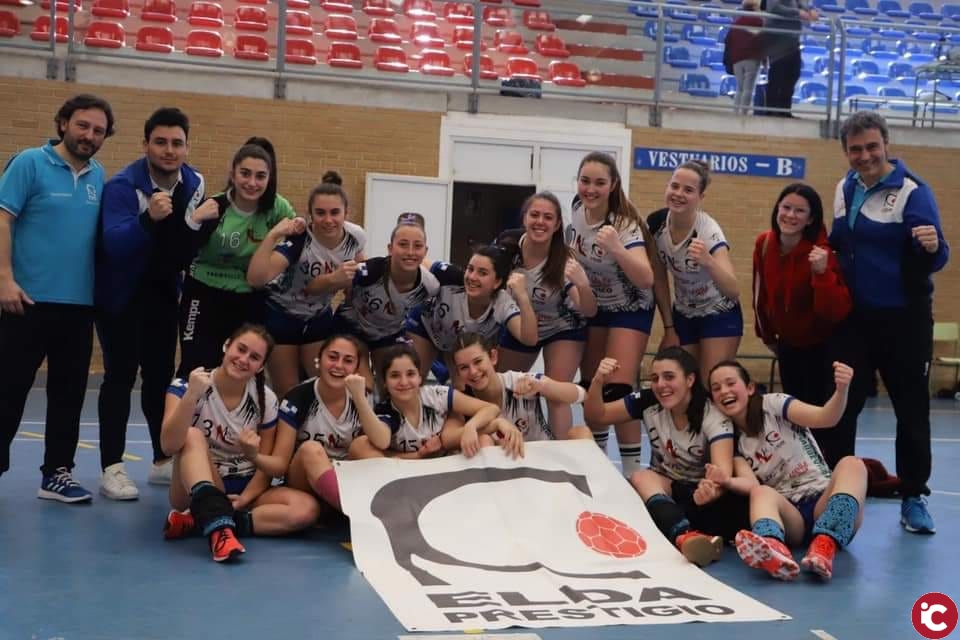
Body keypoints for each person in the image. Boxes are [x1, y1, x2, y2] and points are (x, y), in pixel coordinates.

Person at [828, 111, 949, 534]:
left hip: (905, 320)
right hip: (856, 320)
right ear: (846, 151)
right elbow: (838, 243)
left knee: (910, 408)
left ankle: (913, 495)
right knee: (844, 403)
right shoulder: (844, 188)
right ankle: (837, 490)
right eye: (855, 149)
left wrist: (933, 246)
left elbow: (937, 254)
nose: (864, 156)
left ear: (886, 145)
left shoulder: (913, 191)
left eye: (871, 147)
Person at [94, 107, 221, 499]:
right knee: (119, 377)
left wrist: (198, 224)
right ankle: (112, 467)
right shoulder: (122, 186)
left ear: (186, 147)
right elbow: (114, 245)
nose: (169, 150)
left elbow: (183, 245)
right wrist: (148, 219)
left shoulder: (194, 182)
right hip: (120, 293)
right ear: (145, 145)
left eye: (176, 143)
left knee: (159, 379)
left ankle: (161, 459)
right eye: (160, 142)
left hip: (164, 292)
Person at [0, 94, 115, 502]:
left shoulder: (100, 176)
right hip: (25, 302)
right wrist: (4, 279)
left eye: (98, 130)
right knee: (8, 391)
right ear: (63, 123)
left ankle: (57, 474)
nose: (89, 135)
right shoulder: (29, 163)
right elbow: (3, 219)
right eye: (83, 125)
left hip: (79, 307)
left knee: (68, 395)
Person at [160, 324, 320, 561]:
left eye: (254, 357)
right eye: (241, 349)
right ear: (226, 346)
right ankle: (220, 531)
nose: (244, 360)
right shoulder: (186, 386)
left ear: (261, 366)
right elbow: (168, 446)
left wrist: (245, 498)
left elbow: (269, 469)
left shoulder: (266, 400)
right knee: (192, 435)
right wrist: (192, 396)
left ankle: (206, 519)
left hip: (246, 489)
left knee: (306, 509)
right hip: (196, 483)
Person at [584, 348, 749, 567]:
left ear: (690, 380)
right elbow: (596, 415)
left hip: (703, 500)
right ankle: (687, 537)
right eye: (655, 378)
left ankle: (685, 533)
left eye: (669, 377)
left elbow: (722, 474)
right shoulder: (649, 400)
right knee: (640, 478)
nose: (661, 385)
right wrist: (598, 380)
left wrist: (710, 490)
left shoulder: (713, 415)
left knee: (640, 491)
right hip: (667, 494)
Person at [708, 360, 867, 581]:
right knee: (760, 492)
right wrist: (727, 480)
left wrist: (841, 390)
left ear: (750, 388)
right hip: (792, 516)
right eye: (716, 388)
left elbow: (826, 417)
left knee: (853, 464)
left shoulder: (774, 404)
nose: (724, 391)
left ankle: (825, 545)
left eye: (730, 383)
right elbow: (750, 483)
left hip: (824, 502)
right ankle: (773, 549)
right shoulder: (731, 438)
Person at [567, 151, 656, 478]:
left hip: (630, 307)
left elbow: (646, 278)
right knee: (593, 385)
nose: (590, 189)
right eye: (585, 181)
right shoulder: (577, 210)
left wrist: (617, 248)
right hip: (597, 304)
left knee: (617, 389)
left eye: (599, 183)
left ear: (613, 185)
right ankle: (599, 463)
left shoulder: (623, 224)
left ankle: (632, 472)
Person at [177, 139, 296, 377]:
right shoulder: (215, 207)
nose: (252, 183)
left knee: (245, 368)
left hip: (249, 298)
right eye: (245, 173)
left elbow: (298, 235)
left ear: (269, 178)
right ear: (233, 174)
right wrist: (193, 221)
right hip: (204, 293)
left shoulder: (277, 207)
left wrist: (275, 265)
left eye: (260, 176)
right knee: (197, 366)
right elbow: (180, 253)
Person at [247, 171, 366, 399]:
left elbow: (360, 266)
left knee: (322, 387)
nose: (328, 220)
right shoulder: (300, 240)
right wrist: (273, 235)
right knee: (289, 392)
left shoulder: (356, 236)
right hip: (282, 314)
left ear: (347, 213)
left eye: (335, 212)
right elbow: (256, 279)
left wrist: (356, 287)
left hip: (317, 317)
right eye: (320, 213)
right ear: (310, 214)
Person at [494, 191, 597, 439]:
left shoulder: (563, 259)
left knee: (555, 393)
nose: (540, 222)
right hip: (522, 323)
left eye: (548, 217)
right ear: (524, 218)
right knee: (500, 386)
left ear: (557, 224)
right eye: (535, 215)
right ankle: (501, 442)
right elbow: (485, 275)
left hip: (562, 327)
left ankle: (560, 451)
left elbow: (589, 309)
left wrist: (583, 285)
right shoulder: (506, 245)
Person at [753, 183, 851, 412]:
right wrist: (767, 335)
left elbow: (834, 311)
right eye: (786, 207)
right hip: (787, 346)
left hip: (823, 349)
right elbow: (760, 295)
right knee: (793, 415)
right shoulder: (764, 244)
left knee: (821, 418)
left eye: (799, 211)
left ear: (810, 219)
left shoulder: (822, 253)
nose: (790, 215)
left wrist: (822, 274)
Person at [651, 160, 742, 383]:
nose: (679, 194)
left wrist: (708, 261)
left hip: (718, 312)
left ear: (701, 197)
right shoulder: (656, 224)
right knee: (681, 383)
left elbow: (733, 289)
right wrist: (669, 327)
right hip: (684, 312)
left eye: (688, 190)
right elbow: (659, 280)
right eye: (674, 186)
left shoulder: (708, 231)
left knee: (711, 382)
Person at [349, 344, 524, 459]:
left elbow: (490, 408)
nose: (404, 382)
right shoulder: (386, 410)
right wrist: (359, 397)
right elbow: (381, 441)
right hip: (407, 474)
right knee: (359, 445)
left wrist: (472, 426)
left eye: (410, 374)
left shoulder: (436, 394)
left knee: (483, 439)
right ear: (385, 383)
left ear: (420, 377)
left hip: (447, 466)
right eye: (395, 376)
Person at [332, 213, 438, 392]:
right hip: (352, 327)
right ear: (390, 248)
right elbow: (333, 284)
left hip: (387, 334)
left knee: (392, 386)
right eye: (403, 244)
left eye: (417, 246)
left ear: (425, 251)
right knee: (365, 384)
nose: (410, 252)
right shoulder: (369, 272)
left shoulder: (430, 286)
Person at [405, 246, 537, 386]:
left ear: (497, 282)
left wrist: (522, 296)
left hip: (455, 340)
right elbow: (422, 263)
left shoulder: (501, 302)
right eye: (470, 269)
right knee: (415, 379)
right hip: (426, 326)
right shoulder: (451, 276)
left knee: (462, 388)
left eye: (482, 273)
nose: (472, 277)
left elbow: (529, 339)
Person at [267, 335, 369, 514]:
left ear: (356, 368)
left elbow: (377, 444)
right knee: (311, 449)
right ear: (319, 360)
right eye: (332, 357)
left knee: (364, 444)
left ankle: (392, 505)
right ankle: (359, 512)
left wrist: (360, 399)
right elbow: (281, 461)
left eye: (348, 360)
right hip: (304, 481)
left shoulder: (361, 396)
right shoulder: (297, 397)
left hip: (345, 477)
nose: (339, 365)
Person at [452, 332, 593, 442]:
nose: (473, 372)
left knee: (581, 433)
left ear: (493, 357)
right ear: (457, 372)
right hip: (505, 465)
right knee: (484, 441)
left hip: (544, 457)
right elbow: (450, 441)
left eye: (478, 361)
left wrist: (543, 387)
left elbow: (582, 394)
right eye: (464, 367)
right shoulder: (458, 401)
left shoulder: (520, 381)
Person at [760, 0, 817, 116]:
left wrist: (810, 10)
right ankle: (771, 111)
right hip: (779, 40)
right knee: (777, 78)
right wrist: (797, 12)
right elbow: (774, 8)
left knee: (792, 75)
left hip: (792, 41)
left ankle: (784, 111)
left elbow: (802, 4)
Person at [726, 0, 764, 115]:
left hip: (736, 59)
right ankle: (743, 113)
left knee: (740, 88)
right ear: (755, 8)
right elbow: (763, 41)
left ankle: (735, 112)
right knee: (748, 89)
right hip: (752, 58)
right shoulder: (759, 22)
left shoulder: (736, 22)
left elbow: (729, 41)